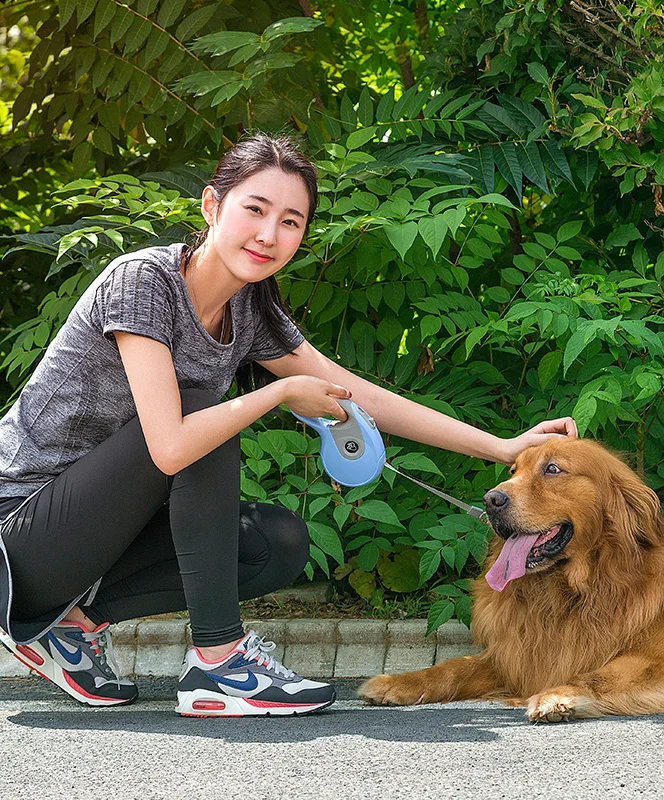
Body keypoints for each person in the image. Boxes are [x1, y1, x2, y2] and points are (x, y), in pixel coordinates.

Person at [0, 133, 577, 717]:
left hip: (87, 544)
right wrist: (276, 393)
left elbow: (357, 394)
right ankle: (219, 664)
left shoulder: (250, 308)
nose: (269, 235)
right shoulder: (144, 283)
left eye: (291, 221)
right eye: (254, 209)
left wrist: (501, 446)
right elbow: (171, 446)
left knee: (277, 543)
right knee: (203, 412)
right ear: (210, 206)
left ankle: (67, 625)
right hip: (18, 535)